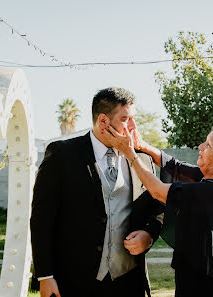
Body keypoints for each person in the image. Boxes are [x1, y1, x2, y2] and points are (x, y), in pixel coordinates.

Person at [30, 87, 164, 297]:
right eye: (125, 119)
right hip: (74, 281)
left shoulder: (142, 160)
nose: (133, 127)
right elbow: (41, 218)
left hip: (129, 281)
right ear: (103, 121)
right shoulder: (62, 155)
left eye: (133, 119)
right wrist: (45, 276)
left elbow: (157, 206)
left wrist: (149, 234)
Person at [105, 124, 213, 297]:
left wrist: (129, 153)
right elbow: (175, 166)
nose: (201, 147)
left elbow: (157, 190)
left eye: (208, 145)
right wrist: (142, 145)